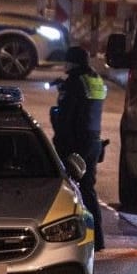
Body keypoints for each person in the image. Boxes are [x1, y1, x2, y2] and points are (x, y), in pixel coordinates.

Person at [52, 46, 108, 251]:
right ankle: (98, 239)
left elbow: (67, 116)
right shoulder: (96, 80)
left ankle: (70, 239)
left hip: (75, 143)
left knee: (68, 191)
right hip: (93, 142)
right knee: (88, 190)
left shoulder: (73, 82)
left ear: (72, 62)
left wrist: (59, 139)